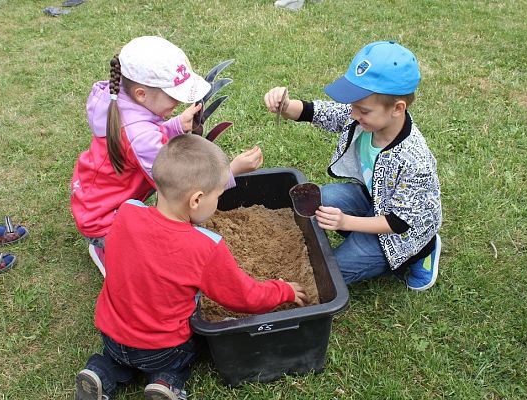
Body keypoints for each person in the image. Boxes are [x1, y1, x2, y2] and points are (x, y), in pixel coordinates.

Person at [75, 134, 307, 400]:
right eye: (219, 195)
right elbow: (246, 297)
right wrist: (283, 290)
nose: (218, 201)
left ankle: (100, 371)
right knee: (195, 345)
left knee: (118, 360)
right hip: (162, 348)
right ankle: (166, 382)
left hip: (112, 336)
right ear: (196, 200)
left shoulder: (127, 212)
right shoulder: (206, 247)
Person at [70, 36, 263, 276]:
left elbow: (145, 133)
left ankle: (110, 246)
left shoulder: (119, 103)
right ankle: (109, 251)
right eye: (173, 96)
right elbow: (179, 186)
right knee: (156, 262)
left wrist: (175, 126)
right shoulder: (139, 136)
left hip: (96, 199)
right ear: (142, 94)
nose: (179, 102)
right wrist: (231, 170)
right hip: (104, 219)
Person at [264, 41, 442, 291]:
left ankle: (421, 252)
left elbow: (398, 222)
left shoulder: (414, 160)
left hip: (401, 234)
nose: (353, 113)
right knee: (318, 200)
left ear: (397, 108)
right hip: (373, 202)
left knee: (329, 274)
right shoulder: (363, 116)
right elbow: (321, 112)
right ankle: (360, 234)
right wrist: (286, 106)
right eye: (353, 106)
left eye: (363, 110)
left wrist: (345, 222)